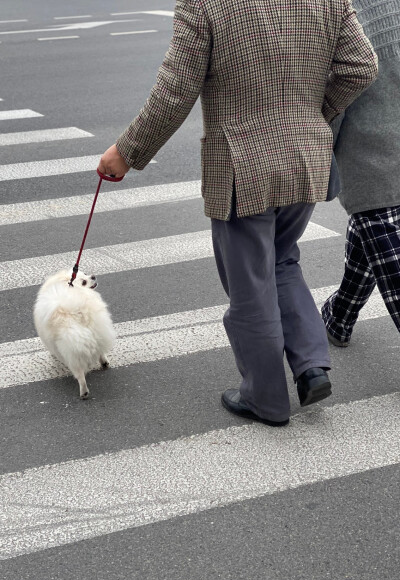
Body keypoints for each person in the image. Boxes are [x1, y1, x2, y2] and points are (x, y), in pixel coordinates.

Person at [98, 0, 377, 427]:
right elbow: (361, 67)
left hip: (242, 162)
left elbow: (175, 91)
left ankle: (265, 398)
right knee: (282, 258)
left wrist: (126, 151)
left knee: (249, 286)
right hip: (305, 155)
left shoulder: (205, 4)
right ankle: (310, 364)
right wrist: (312, 115)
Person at [322, 0, 400, 348]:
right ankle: (339, 317)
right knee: (370, 228)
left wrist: (320, 142)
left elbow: (339, 83)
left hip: (369, 156)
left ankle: (339, 317)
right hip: (380, 157)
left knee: (375, 221)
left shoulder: (337, 10)